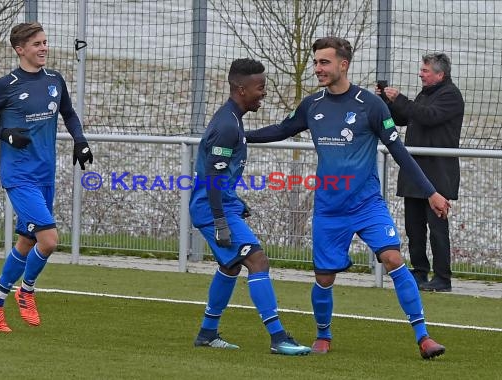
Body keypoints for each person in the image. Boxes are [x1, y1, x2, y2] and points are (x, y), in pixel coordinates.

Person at [245, 37, 449, 359]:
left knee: (394, 259)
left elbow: (400, 152)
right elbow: (282, 130)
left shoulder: (371, 105)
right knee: (324, 277)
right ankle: (323, 335)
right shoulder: (312, 105)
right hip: (329, 209)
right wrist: (241, 135)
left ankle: (424, 337)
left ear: (344, 64)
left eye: (324, 62)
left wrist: (431, 193)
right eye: (315, 63)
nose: (317, 69)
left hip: (368, 204)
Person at [0, 22, 93, 332]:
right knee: (48, 241)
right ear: (20, 49)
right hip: (19, 175)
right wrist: (4, 134)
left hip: (45, 174)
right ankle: (26, 291)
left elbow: (69, 114)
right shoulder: (4, 85)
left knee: (26, 241)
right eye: (37, 44)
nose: (43, 48)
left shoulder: (55, 80)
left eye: (45, 42)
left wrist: (80, 140)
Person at [189, 58, 311, 356]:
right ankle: (278, 337)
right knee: (257, 261)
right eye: (260, 87)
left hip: (220, 204)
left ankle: (207, 333)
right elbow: (213, 178)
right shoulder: (227, 125)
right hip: (211, 208)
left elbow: (217, 175)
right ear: (241, 89)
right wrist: (220, 221)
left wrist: (235, 201)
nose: (264, 93)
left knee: (230, 266)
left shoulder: (233, 121)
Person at [376, 53, 464, 292]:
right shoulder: (425, 94)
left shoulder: (450, 95)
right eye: (422, 70)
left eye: (425, 71)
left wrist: (401, 98)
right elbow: (406, 117)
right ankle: (420, 272)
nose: (420, 74)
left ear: (439, 74)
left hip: (438, 173)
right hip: (415, 172)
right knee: (414, 227)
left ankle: (443, 278)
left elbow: (428, 117)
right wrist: (387, 103)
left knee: (437, 229)